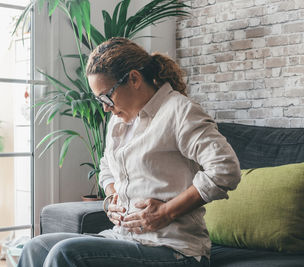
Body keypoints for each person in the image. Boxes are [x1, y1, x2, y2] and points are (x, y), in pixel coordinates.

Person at [18, 37, 241, 267]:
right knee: (36, 247)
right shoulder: (119, 121)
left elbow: (225, 169)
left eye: (107, 96)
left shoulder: (179, 111)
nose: (104, 107)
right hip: (121, 237)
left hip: (173, 248)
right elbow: (107, 166)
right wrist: (113, 197)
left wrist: (166, 212)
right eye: (99, 100)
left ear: (134, 78)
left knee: (66, 253)